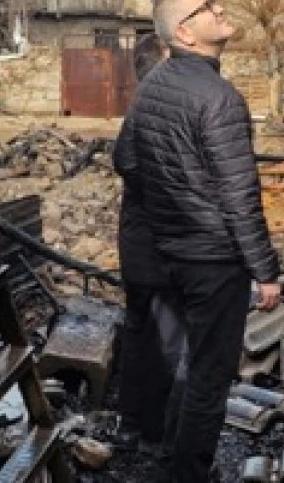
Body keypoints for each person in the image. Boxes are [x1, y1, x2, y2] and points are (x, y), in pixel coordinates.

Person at [114, 0, 282, 483]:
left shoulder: (153, 88)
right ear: (184, 32)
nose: (220, 8)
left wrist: (173, 198)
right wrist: (265, 271)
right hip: (213, 260)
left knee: (184, 364)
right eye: (207, 7)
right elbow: (239, 195)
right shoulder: (220, 98)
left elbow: (126, 160)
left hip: (171, 253)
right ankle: (187, 473)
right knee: (209, 376)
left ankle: (165, 450)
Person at [114, 32, 181, 453]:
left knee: (144, 328)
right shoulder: (153, 107)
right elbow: (128, 161)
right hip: (153, 245)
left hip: (142, 241)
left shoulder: (144, 105)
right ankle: (151, 429)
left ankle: (134, 422)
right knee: (159, 332)